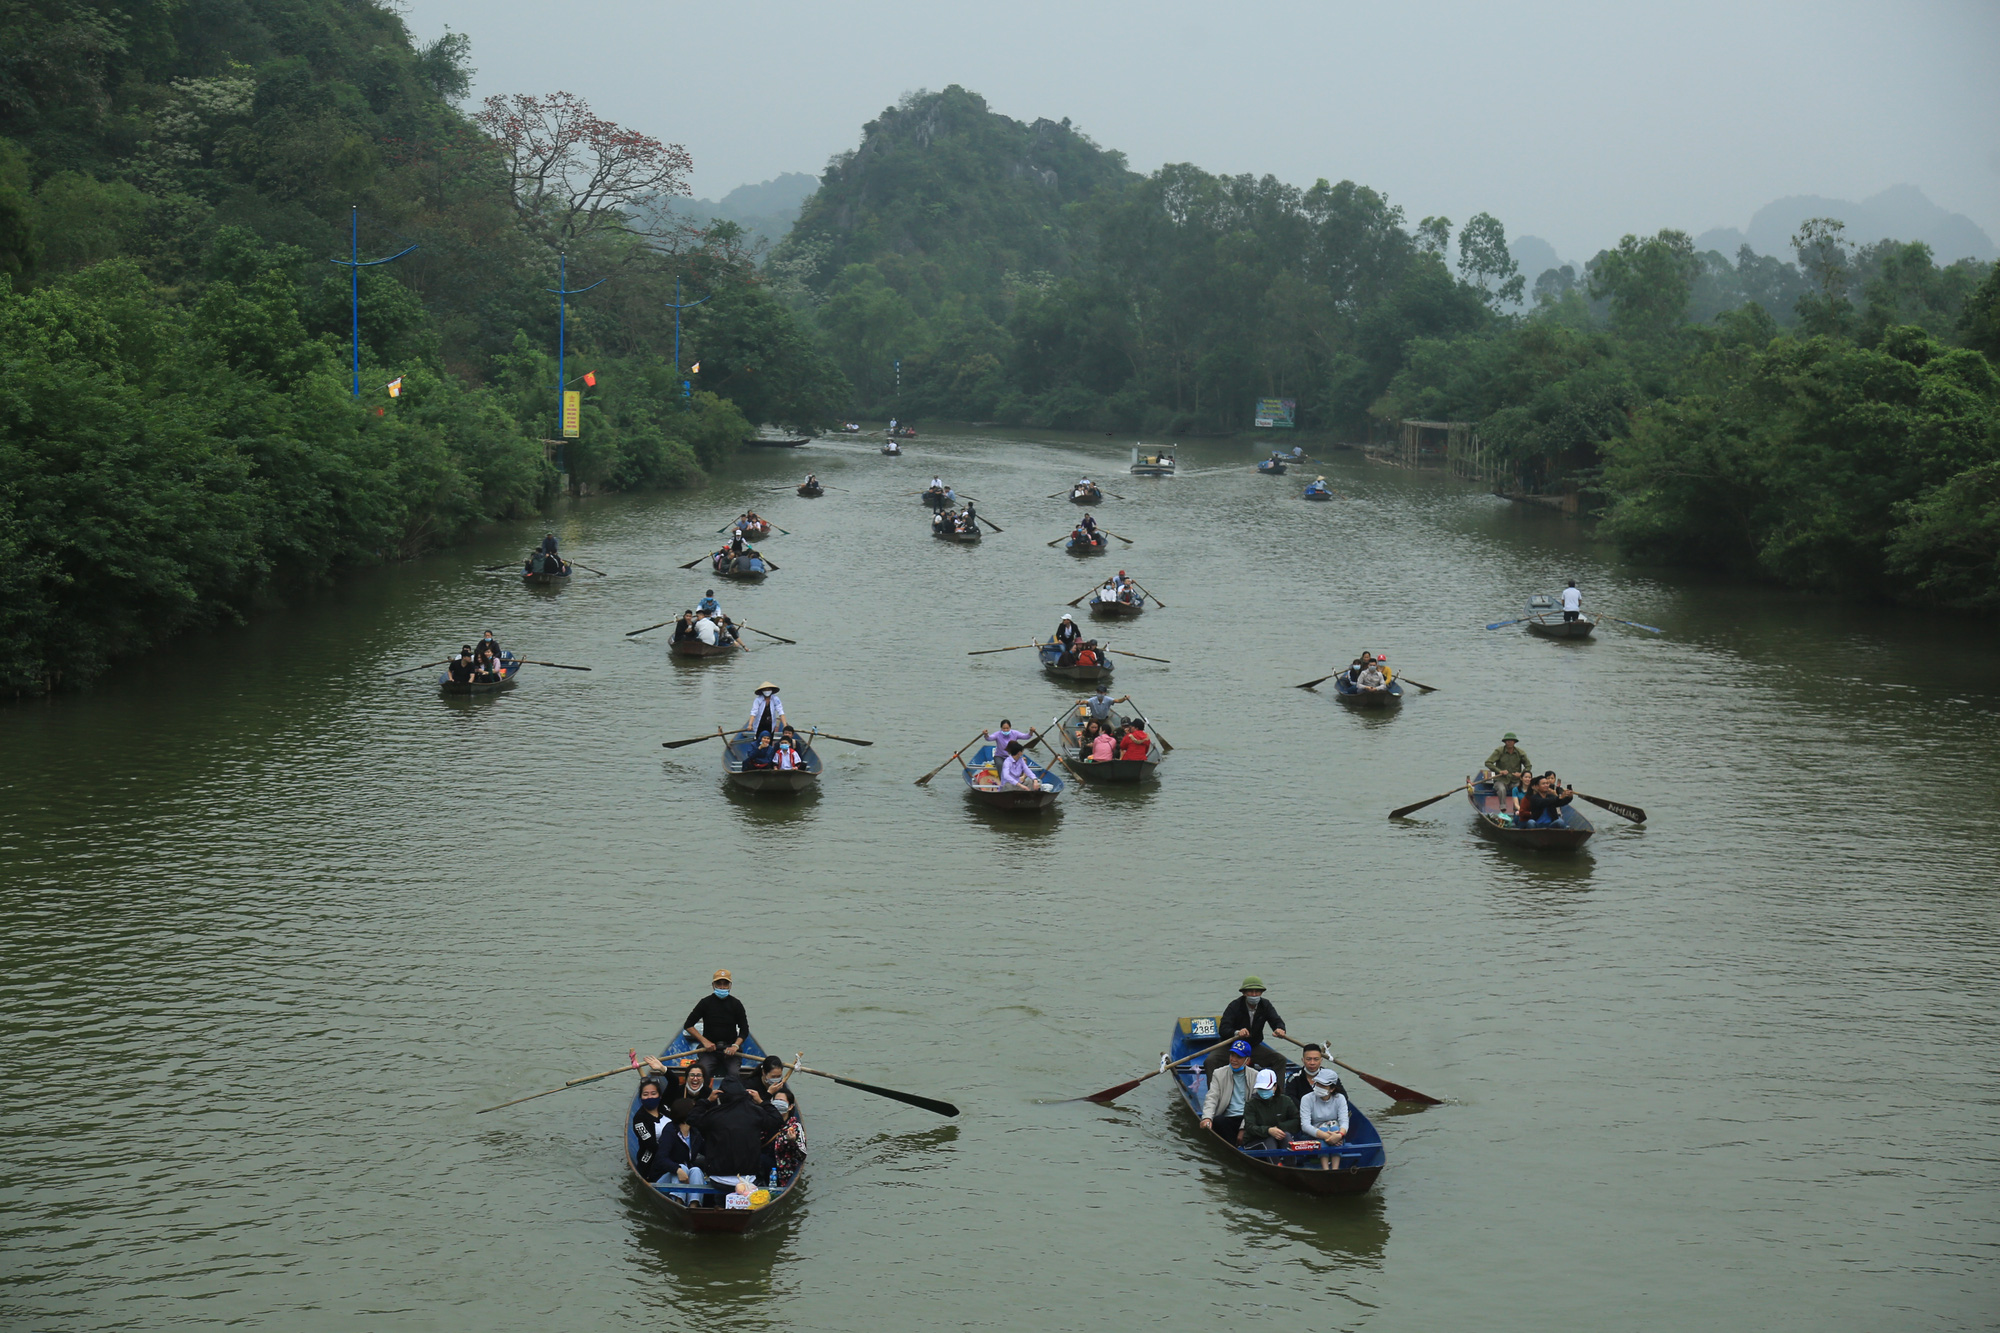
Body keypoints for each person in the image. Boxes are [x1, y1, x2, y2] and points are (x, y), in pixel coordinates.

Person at [691, 1080, 784, 1189]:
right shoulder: (755, 1112)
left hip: (718, 1178)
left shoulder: (713, 1114)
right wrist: (762, 1101)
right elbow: (777, 1120)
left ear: (721, 1095)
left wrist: (707, 1101)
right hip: (748, 1179)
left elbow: (692, 1118)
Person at [683, 969, 749, 1077]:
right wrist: (705, 1042)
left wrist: (735, 1046)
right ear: (713, 985)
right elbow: (688, 1025)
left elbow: (744, 1030)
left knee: (734, 1073)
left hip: (730, 1050)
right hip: (709, 1050)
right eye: (719, 984)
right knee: (702, 1073)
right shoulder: (705, 1003)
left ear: (730, 986)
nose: (722, 987)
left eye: (725, 984)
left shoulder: (736, 1004)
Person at [1217, 977, 1288, 1072]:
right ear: (1244, 993)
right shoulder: (1234, 1006)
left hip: (1253, 1047)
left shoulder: (1265, 1005)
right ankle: (1214, 1087)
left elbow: (1276, 1020)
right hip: (1232, 1047)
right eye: (1251, 992)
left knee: (1280, 1060)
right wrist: (1237, 1033)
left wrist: (1280, 1029)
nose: (1254, 995)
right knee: (1210, 1061)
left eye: (1257, 992)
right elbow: (1223, 1029)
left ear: (1261, 993)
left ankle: (1277, 1087)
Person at [1199, 1038, 1258, 1144]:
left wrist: (1243, 1128)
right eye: (1232, 1055)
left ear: (1247, 1060)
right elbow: (1212, 1098)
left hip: (1247, 1118)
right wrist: (1207, 1117)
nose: (1233, 1060)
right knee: (1218, 1121)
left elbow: (1255, 1106)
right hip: (1228, 1118)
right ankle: (1234, 1148)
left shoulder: (1255, 1075)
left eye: (1238, 1057)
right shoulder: (1219, 1073)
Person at [1297, 1068, 1349, 1167]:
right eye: (1317, 1084)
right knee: (1325, 1133)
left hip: (1335, 1131)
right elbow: (1305, 1126)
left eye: (1323, 1085)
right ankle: (1325, 1169)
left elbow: (1344, 1121)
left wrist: (1339, 1135)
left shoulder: (1340, 1098)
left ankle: (1335, 1169)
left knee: (1336, 1129)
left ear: (1332, 1088)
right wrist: (1327, 1136)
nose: (1318, 1087)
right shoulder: (1307, 1099)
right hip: (1313, 1134)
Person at [1242, 1067, 1302, 1150]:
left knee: (1286, 1137)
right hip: (1255, 1140)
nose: (1264, 1091)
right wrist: (1268, 1130)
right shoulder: (1251, 1104)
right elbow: (1250, 1127)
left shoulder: (1285, 1100)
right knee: (1269, 1141)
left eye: (1267, 1088)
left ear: (1275, 1086)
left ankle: (1290, 1163)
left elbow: (1296, 1120)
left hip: (1280, 1136)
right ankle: (1275, 1163)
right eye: (1261, 1089)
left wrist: (1278, 1128)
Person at [631, 1076, 676, 1182]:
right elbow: (651, 1145)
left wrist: (663, 1070)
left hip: (674, 1150)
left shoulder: (664, 1107)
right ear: (641, 1097)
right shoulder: (639, 1119)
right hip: (652, 1156)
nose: (650, 1097)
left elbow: (674, 1082)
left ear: (660, 1096)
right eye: (645, 1094)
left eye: (653, 1094)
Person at [1483, 732, 1532, 817]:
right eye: (1507, 741)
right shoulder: (1499, 751)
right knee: (1501, 789)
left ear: (1514, 742)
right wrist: (1499, 771)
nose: (1509, 742)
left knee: (1519, 790)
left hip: (1515, 780)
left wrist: (1521, 774)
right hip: (1501, 780)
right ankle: (1503, 808)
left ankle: (1518, 809)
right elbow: (1488, 762)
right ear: (1505, 742)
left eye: (1511, 741)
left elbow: (1528, 766)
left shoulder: (1520, 753)